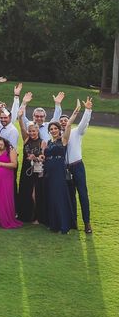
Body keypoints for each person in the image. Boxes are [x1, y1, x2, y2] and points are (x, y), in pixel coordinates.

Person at [43, 102, 79, 234]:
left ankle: (64, 224)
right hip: (49, 170)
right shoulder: (48, 142)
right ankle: (54, 224)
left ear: (59, 130)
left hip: (59, 170)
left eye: (55, 128)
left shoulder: (63, 140)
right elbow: (45, 156)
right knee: (52, 196)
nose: (53, 130)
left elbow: (68, 124)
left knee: (60, 196)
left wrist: (76, 111)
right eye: (51, 129)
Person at [61, 96, 93, 233]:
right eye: (61, 121)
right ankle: (73, 221)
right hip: (65, 168)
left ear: (69, 121)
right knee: (69, 195)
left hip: (77, 166)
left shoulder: (76, 132)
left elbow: (84, 122)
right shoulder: (58, 137)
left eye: (65, 120)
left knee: (83, 194)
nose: (63, 122)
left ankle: (87, 223)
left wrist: (88, 110)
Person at [17, 113, 46, 224]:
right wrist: (20, 117)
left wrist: (36, 158)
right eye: (30, 131)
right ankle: (24, 216)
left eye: (34, 131)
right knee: (24, 192)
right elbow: (21, 127)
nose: (32, 133)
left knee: (35, 194)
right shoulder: (26, 140)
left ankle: (37, 217)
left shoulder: (42, 142)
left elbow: (43, 158)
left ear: (38, 131)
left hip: (37, 170)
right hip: (26, 169)